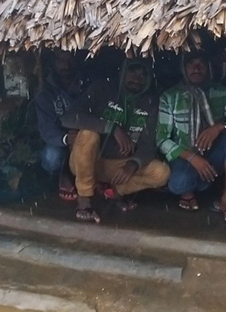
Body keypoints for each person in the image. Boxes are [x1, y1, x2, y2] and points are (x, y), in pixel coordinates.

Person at [59, 60, 171, 224]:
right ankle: (85, 198)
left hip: (119, 167)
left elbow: (150, 142)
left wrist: (133, 163)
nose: (137, 78)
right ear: (123, 72)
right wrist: (111, 127)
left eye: (143, 74)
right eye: (133, 71)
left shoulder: (151, 101)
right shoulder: (102, 89)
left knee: (161, 173)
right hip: (87, 161)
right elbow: (68, 118)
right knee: (88, 134)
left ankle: (115, 191)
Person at [156, 51, 226, 223]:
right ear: (183, 68)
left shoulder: (224, 93)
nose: (196, 68)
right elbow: (162, 140)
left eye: (201, 63)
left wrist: (219, 127)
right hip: (186, 157)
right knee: (179, 183)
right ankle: (192, 189)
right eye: (191, 64)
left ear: (209, 67)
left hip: (214, 155)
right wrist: (193, 158)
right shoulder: (170, 97)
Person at [33, 50, 85, 200]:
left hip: (88, 134)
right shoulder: (46, 93)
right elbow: (47, 129)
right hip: (62, 141)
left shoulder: (87, 83)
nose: (66, 66)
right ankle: (62, 175)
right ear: (53, 63)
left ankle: (91, 180)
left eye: (70, 60)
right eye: (61, 61)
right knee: (52, 157)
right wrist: (67, 138)